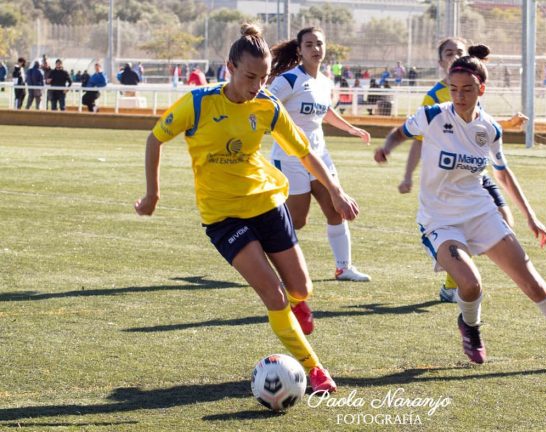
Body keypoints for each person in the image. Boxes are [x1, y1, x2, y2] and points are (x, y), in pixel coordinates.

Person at [134, 24, 357, 394]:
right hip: (223, 217)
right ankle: (314, 369)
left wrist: (335, 190)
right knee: (274, 295)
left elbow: (304, 152)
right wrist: (152, 194)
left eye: (263, 77)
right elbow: (155, 139)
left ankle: (298, 306)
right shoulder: (198, 103)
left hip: (267, 204)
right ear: (229, 67)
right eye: (249, 76)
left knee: (301, 288)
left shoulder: (267, 106)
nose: (256, 84)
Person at [373, 46, 546, 371]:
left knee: (534, 284)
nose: (459, 96)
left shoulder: (489, 129)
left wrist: (531, 217)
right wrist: (386, 149)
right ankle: (470, 327)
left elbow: (502, 173)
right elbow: (400, 133)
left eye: (467, 90)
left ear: (481, 90)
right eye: (454, 89)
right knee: (471, 284)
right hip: (439, 221)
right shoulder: (433, 115)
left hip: (481, 215)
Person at [397, 37, 516, 304]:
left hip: (476, 174)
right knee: (461, 229)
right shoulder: (435, 98)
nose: (454, 57)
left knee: (507, 223)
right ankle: (454, 284)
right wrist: (407, 176)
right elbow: (419, 139)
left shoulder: (472, 85)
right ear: (441, 62)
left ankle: (461, 273)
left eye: (459, 52)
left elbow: (481, 129)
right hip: (450, 179)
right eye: (448, 53)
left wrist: (509, 123)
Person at [269, 27, 372, 282]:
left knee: (335, 209)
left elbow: (325, 112)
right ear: (299, 50)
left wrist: (351, 129)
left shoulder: (325, 81)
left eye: (320, 44)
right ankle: (261, 251)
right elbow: (266, 107)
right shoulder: (288, 80)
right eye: (309, 44)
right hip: (290, 158)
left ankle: (343, 268)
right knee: (298, 220)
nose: (316, 49)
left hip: (319, 156)